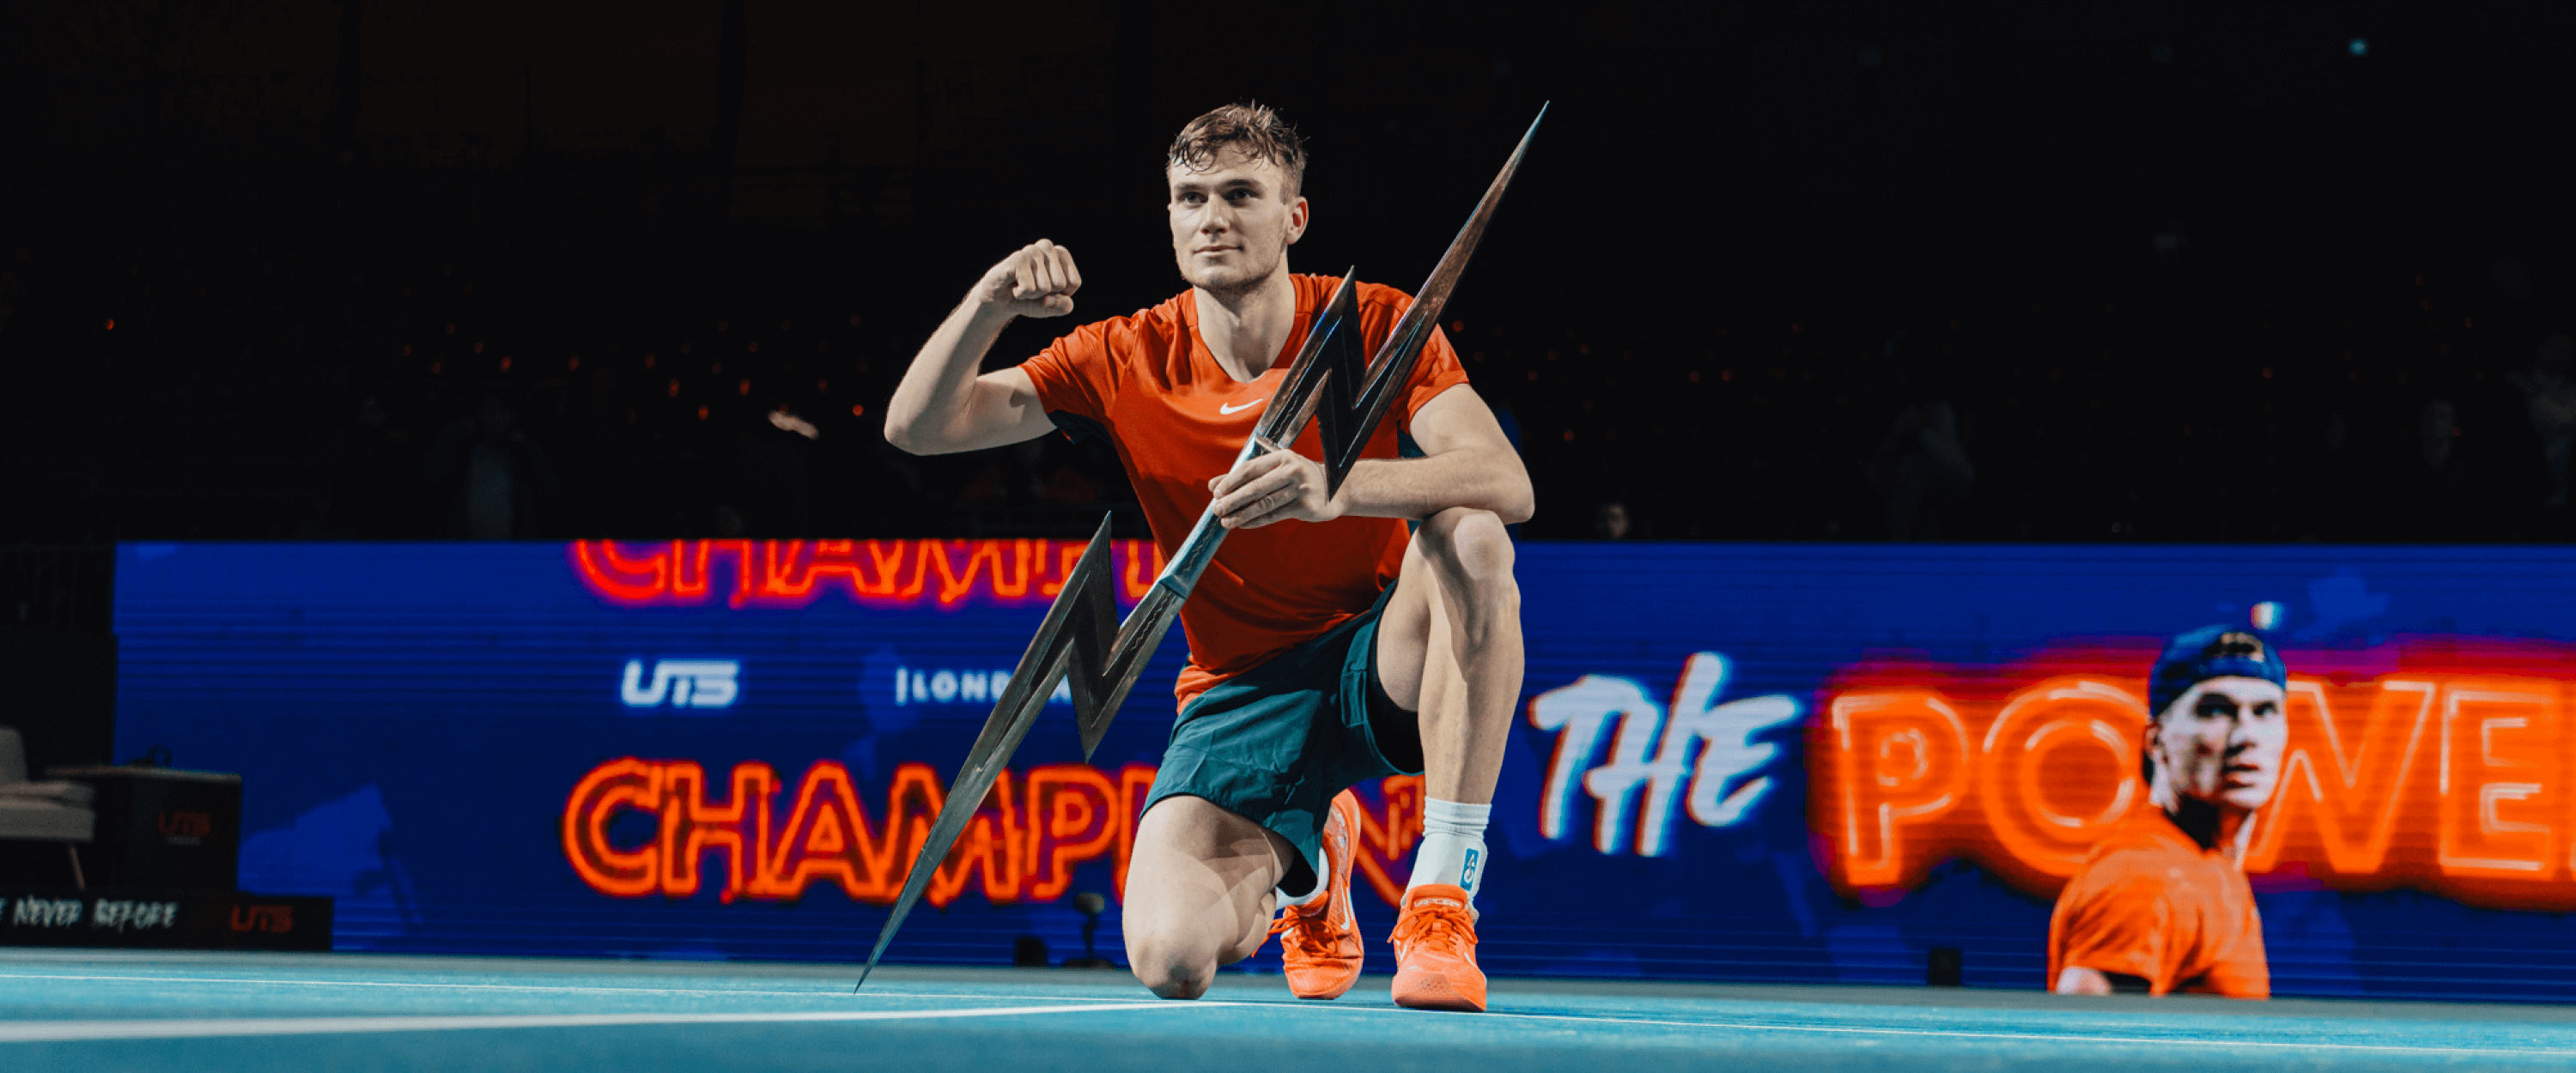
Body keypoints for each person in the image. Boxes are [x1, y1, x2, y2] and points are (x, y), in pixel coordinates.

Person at [883, 103, 1531, 1012]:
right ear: (1171, 217)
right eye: (1190, 198)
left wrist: (1336, 485)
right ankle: (1311, 875)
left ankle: (1440, 897)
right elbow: (918, 428)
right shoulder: (1126, 353)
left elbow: (1507, 479)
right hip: (1239, 688)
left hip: (1382, 653)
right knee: (1169, 958)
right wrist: (990, 303)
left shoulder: (1373, 321)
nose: (1213, 218)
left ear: (1293, 218)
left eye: (1240, 194)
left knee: (1471, 532)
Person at [2048, 627, 2288, 998]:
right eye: (2216, 710)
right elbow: (2083, 1048)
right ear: (2155, 739)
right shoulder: (2144, 879)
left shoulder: (2206, 866)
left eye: (2265, 711)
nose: (2246, 736)